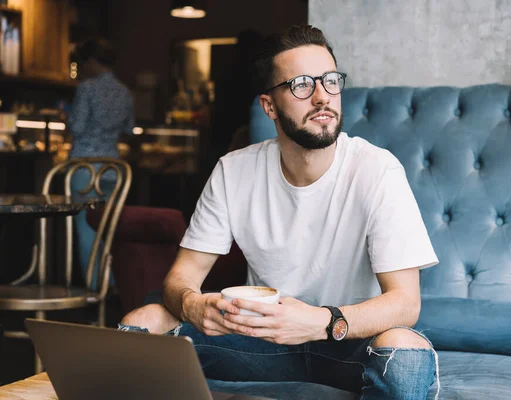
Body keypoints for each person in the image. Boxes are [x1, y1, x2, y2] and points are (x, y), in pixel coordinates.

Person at [120, 25, 440, 399]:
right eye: (302, 84)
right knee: (145, 320)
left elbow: (405, 303)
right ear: (269, 106)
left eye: (330, 81)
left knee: (405, 349)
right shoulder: (234, 170)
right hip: (260, 341)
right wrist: (192, 305)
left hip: (347, 340)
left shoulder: (378, 171)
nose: (322, 97)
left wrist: (323, 321)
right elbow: (182, 277)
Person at [68, 38, 134, 288]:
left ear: (93, 61)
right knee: (109, 227)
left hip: (85, 166)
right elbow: (128, 128)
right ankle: (113, 283)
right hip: (112, 166)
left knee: (87, 227)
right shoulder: (124, 91)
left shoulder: (87, 88)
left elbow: (77, 126)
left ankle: (96, 286)